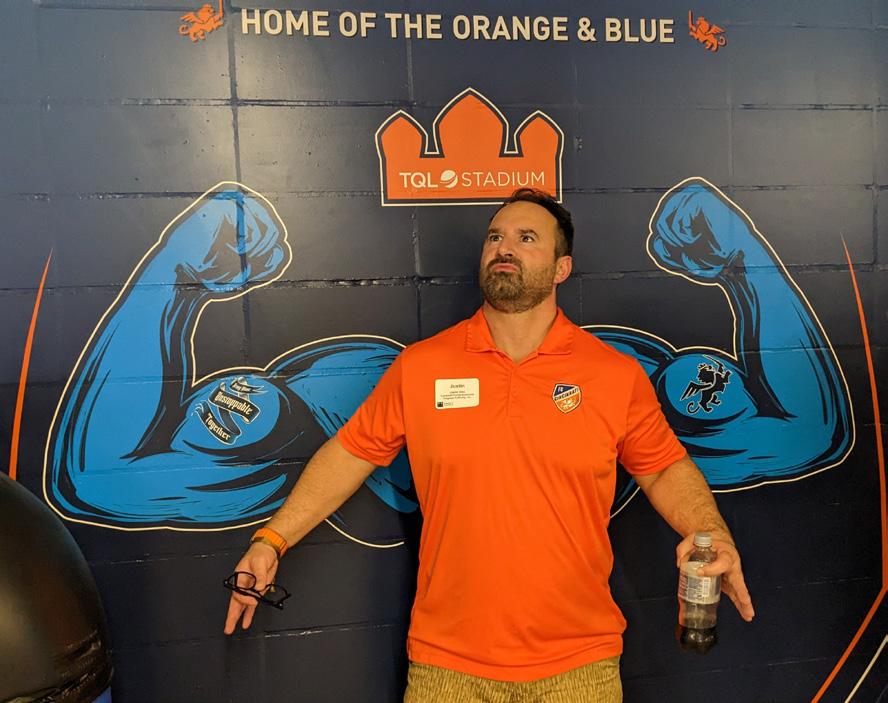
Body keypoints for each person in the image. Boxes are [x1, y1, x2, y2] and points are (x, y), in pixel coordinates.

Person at [224, 188, 756, 702]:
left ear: (562, 269)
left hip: (580, 667)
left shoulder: (613, 375)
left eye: (527, 238)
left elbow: (663, 468)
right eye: (495, 237)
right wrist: (271, 540)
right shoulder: (422, 366)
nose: (504, 248)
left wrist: (712, 535)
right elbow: (352, 453)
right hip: (446, 667)